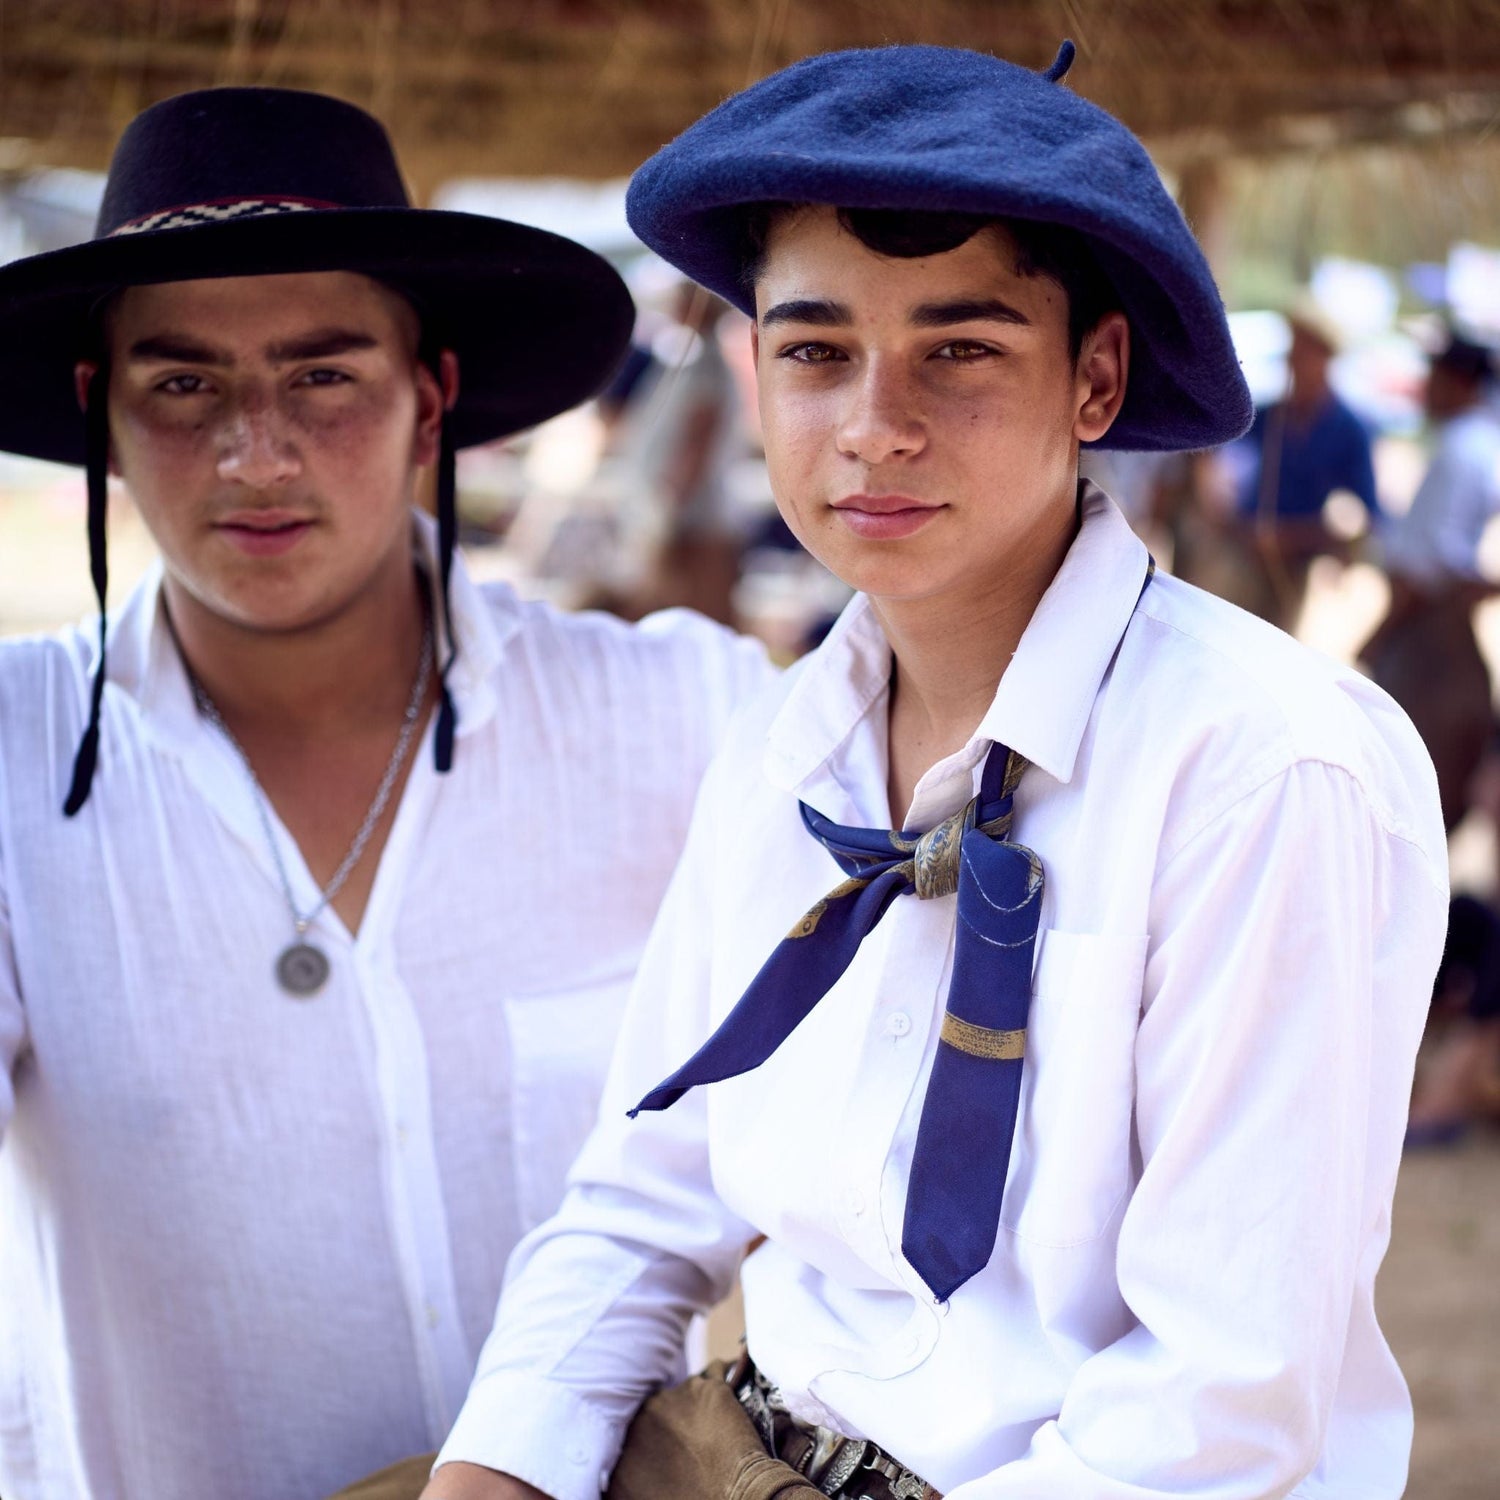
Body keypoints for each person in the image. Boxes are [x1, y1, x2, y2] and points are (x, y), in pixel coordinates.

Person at [422, 43, 1447, 1500]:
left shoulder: (1261, 774)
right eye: (816, 351)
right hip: (735, 1452)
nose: (874, 425)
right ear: (751, 373)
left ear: (1095, 378)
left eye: (961, 351)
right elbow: (641, 1204)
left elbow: (1220, 1408)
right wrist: (495, 1470)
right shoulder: (785, 742)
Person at [0, 88, 770, 1500]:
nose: (257, 453)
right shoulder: (11, 761)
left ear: (433, 398)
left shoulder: (676, 718)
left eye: (324, 375)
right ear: (96, 413)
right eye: (181, 383)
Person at [1228, 299, 1378, 629]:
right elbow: (1228, 466)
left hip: (1297, 568)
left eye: (1306, 351)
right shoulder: (1268, 417)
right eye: (1295, 349)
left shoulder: (1350, 430)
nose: (1295, 360)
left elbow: (1366, 514)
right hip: (1244, 555)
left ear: (1326, 358)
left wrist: (1296, 538)